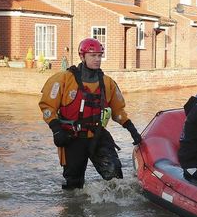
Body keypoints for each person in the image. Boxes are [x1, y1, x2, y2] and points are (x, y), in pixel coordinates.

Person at [39, 38, 143, 190]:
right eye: (93, 56)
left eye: (99, 56)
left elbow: (118, 111)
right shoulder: (63, 79)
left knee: (116, 179)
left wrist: (132, 130)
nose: (97, 59)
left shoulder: (108, 83)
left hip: (98, 135)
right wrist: (56, 130)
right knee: (74, 185)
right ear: (82, 56)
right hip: (72, 138)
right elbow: (48, 107)